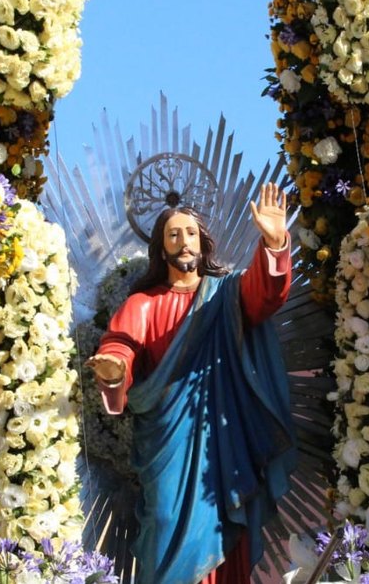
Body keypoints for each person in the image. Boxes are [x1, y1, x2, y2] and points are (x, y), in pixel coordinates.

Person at [87, 183, 297, 584]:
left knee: (222, 524)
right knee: (164, 519)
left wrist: (274, 243)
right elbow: (120, 345)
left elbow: (265, 295)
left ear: (203, 243)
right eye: (173, 235)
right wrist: (114, 369)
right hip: (166, 440)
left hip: (220, 440)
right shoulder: (142, 304)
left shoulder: (227, 294)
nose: (183, 242)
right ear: (161, 248)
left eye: (190, 233)